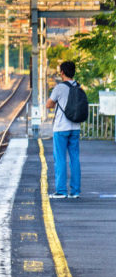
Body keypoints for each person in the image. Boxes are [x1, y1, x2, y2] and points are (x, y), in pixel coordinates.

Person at [45, 60, 81, 199]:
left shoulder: (60, 88)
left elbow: (49, 104)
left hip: (61, 128)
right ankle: (75, 191)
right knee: (74, 159)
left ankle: (61, 191)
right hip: (75, 127)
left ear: (62, 72)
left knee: (60, 159)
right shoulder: (78, 87)